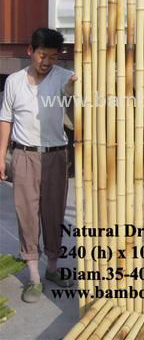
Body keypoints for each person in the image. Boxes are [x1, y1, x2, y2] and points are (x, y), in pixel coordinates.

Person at [0, 28, 77, 302]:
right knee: (27, 213)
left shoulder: (64, 78)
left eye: (54, 57)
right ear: (30, 51)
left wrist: (75, 87)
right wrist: (1, 156)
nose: (47, 62)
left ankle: (53, 268)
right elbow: (6, 119)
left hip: (55, 155)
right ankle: (34, 276)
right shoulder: (14, 81)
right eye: (43, 55)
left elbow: (79, 94)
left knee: (53, 212)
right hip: (24, 155)